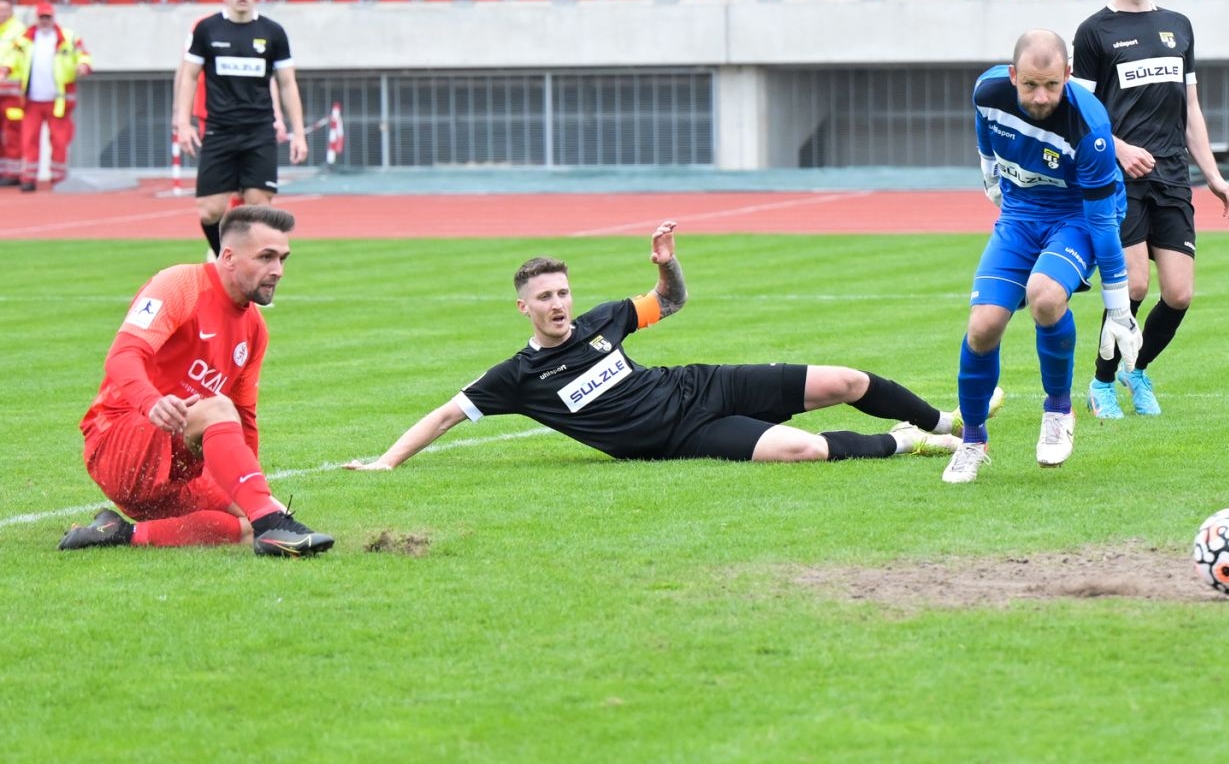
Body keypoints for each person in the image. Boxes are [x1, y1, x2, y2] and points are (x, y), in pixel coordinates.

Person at [344, 221, 974, 471]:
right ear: (524, 307)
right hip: (681, 439)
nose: (558, 305)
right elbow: (448, 413)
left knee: (846, 381)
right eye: (545, 298)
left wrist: (667, 266)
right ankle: (908, 440)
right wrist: (386, 461)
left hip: (703, 385)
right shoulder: (517, 376)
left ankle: (946, 419)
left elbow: (670, 302)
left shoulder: (603, 320)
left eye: (562, 293)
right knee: (803, 451)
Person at [58, 205, 335, 557]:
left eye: (282, 259)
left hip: (179, 465)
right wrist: (153, 402)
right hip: (121, 442)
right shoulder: (179, 285)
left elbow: (246, 419)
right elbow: (122, 356)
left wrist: (253, 490)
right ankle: (272, 528)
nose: (277, 270)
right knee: (221, 411)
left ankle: (118, 533)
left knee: (259, 516)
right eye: (266, 257)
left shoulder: (254, 328)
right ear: (229, 256)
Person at [944, 30, 1142, 484]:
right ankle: (972, 441)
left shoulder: (1089, 127)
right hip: (1019, 215)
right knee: (983, 325)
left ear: (1068, 75)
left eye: (1052, 85)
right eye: (1030, 84)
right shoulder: (987, 92)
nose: (1040, 96)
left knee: (1045, 297)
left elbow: (1103, 225)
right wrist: (992, 180)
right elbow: (986, 141)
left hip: (1078, 215)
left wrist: (1118, 309)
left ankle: (1058, 411)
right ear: (1012, 76)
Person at [1073, 0, 1229, 420]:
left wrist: (1212, 174)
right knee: (1134, 288)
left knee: (1179, 293)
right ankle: (1101, 385)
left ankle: (1136, 368)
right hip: (1118, 179)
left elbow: (1191, 108)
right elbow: (1079, 113)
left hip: (1172, 176)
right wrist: (1120, 149)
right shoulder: (1093, 32)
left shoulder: (1179, 26)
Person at [174, 0, 307, 258]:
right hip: (218, 129)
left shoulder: (273, 32)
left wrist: (298, 133)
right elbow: (189, 76)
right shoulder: (207, 29)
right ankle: (226, 260)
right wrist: (183, 123)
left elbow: (287, 84)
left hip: (259, 130)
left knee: (258, 205)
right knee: (210, 210)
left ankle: (254, 272)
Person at [6, 1, 91, 193]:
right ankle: (28, 178)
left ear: (54, 18)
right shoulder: (25, 39)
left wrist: (83, 66)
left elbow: (83, 55)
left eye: (48, 17)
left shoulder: (68, 38)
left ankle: (58, 178)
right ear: (36, 19)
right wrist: (6, 68)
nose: (45, 21)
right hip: (31, 101)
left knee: (60, 140)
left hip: (58, 100)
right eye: (41, 18)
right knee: (28, 139)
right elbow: (12, 57)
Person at [0, 0, 24, 188]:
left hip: (12, 94)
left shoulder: (18, 31)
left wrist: (5, 69)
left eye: (5, 10)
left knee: (12, 132)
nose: (2, 13)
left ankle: (13, 172)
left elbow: (18, 56)